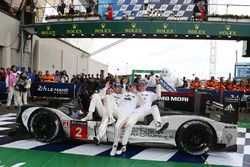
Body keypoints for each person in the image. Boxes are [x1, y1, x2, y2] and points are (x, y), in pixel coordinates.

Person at [116, 79, 162, 155]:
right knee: (128, 125)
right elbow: (124, 94)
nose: (142, 86)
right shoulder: (134, 94)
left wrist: (158, 84)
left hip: (145, 113)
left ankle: (158, 125)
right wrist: (124, 85)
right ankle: (123, 146)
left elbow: (159, 96)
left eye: (143, 85)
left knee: (155, 107)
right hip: (136, 113)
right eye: (140, 85)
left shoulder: (150, 94)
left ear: (146, 86)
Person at [107, 83, 144, 156]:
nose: (133, 88)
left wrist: (136, 93)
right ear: (129, 88)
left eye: (134, 87)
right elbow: (117, 100)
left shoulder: (136, 96)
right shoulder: (123, 94)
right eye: (132, 86)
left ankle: (115, 146)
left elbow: (141, 104)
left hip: (126, 114)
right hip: (118, 112)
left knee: (117, 127)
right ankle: (110, 117)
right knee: (108, 98)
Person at [92, 80, 127, 145]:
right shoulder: (108, 95)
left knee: (108, 111)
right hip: (108, 112)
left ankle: (111, 118)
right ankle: (99, 137)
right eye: (117, 87)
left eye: (120, 87)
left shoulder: (122, 95)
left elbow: (125, 93)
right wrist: (105, 88)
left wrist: (124, 85)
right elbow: (98, 97)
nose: (119, 88)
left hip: (117, 112)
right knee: (106, 117)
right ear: (113, 88)